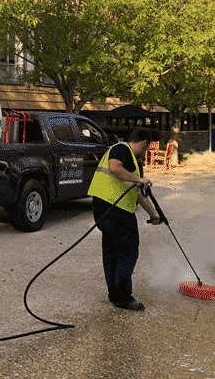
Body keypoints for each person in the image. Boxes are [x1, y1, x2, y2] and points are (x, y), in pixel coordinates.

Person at [88, 128, 163, 311]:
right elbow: (114, 168)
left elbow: (137, 192)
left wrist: (153, 214)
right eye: (145, 150)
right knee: (127, 252)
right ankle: (123, 297)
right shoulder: (122, 149)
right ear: (144, 143)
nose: (144, 154)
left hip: (105, 210)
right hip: (116, 211)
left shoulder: (132, 164)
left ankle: (115, 294)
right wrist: (139, 179)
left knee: (112, 252)